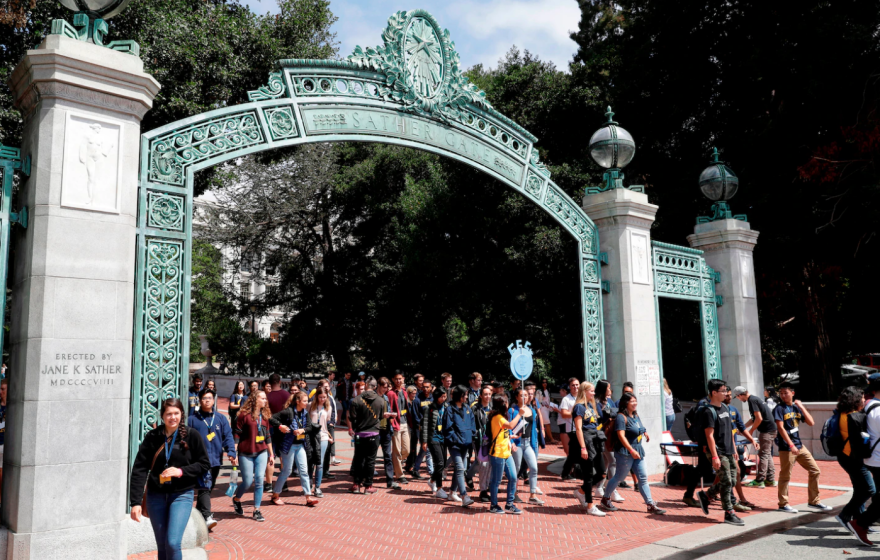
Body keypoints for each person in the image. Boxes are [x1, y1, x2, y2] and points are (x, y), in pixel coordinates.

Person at [129, 398, 210, 560]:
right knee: (162, 544)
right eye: (169, 414)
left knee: (172, 542)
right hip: (155, 495)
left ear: (182, 414)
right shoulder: (153, 436)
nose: (172, 417)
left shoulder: (191, 435)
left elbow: (204, 463)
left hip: (181, 495)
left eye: (176, 413)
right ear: (162, 416)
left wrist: (180, 471)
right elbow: (140, 468)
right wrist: (136, 503)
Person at [600, 393, 666, 515]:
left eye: (635, 401)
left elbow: (640, 426)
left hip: (638, 450)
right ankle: (606, 498)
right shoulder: (621, 417)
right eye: (632, 401)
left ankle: (650, 504)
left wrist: (645, 432)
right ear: (625, 403)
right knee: (619, 477)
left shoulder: (635, 415)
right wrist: (631, 450)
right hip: (625, 452)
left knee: (643, 477)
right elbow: (621, 435)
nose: (635, 403)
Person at [774, 381, 830, 513]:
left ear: (792, 393)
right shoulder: (779, 408)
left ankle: (814, 501)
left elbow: (811, 422)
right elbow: (781, 428)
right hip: (787, 447)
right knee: (785, 475)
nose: (783, 395)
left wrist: (801, 406)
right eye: (781, 393)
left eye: (785, 393)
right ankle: (783, 504)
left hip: (799, 445)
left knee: (815, 470)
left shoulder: (796, 408)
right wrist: (791, 445)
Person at [188, 390, 236, 530]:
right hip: (200, 460)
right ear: (200, 401)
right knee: (205, 486)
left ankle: (198, 514)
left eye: (209, 398)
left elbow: (228, 436)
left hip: (215, 459)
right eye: (204, 398)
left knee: (208, 487)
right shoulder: (192, 420)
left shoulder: (220, 418)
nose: (207, 400)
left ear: (213, 400)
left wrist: (231, 452)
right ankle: (207, 516)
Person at [829, 387, 874, 536]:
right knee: (869, 489)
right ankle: (845, 515)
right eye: (861, 397)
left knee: (859, 489)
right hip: (853, 458)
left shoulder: (842, 413)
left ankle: (859, 521)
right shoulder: (855, 417)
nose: (864, 399)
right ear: (855, 399)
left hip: (845, 457)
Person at [232, 391, 275, 521]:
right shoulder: (243, 415)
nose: (265, 401)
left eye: (265, 399)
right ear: (255, 399)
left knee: (259, 481)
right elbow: (237, 435)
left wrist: (271, 454)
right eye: (262, 398)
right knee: (247, 481)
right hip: (246, 452)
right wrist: (234, 452)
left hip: (261, 451)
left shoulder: (265, 416)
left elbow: (267, 436)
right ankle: (237, 499)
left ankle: (256, 510)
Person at [268, 391, 317, 506]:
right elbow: (272, 418)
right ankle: (275, 495)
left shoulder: (305, 413)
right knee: (287, 471)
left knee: (304, 471)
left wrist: (302, 430)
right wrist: (281, 426)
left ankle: (308, 497)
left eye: (307, 401)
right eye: (304, 401)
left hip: (300, 445)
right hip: (288, 445)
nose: (307, 403)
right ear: (298, 401)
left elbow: (310, 427)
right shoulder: (288, 412)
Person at [848, 375, 880, 545]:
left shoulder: (868, 405)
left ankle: (861, 523)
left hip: (873, 459)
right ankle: (860, 523)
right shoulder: (878, 410)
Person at [571, 382, 608, 516]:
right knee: (588, 475)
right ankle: (590, 506)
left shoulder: (594, 405)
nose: (593, 393)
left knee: (602, 473)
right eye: (591, 391)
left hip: (596, 440)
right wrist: (583, 447)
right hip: (586, 441)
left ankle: (581, 492)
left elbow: (599, 422)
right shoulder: (578, 408)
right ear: (584, 391)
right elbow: (579, 429)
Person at [488, 394, 524, 514]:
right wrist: (519, 414)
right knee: (496, 480)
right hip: (497, 453)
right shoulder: (497, 417)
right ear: (503, 404)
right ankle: (494, 505)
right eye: (506, 402)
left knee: (513, 477)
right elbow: (510, 425)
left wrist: (510, 437)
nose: (508, 404)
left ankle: (510, 504)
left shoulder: (502, 416)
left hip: (506, 452)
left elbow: (503, 432)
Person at [348, 376, 385, 494]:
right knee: (370, 460)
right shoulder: (380, 400)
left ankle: (356, 484)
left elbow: (352, 418)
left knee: (358, 459)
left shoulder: (356, 400)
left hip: (359, 434)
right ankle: (368, 486)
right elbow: (381, 416)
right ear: (375, 387)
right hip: (373, 433)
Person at [736, 386, 777, 489]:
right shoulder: (755, 399)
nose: (739, 399)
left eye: (737, 397)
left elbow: (759, 418)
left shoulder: (752, 401)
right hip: (771, 429)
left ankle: (760, 480)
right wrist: (743, 428)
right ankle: (770, 479)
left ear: (741, 395)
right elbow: (754, 418)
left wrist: (750, 431)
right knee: (767, 455)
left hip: (766, 431)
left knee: (763, 455)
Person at [508, 388, 543, 505]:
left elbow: (533, 430)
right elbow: (508, 428)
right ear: (517, 397)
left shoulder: (532, 411)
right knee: (516, 468)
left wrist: (534, 444)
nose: (524, 397)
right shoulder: (512, 410)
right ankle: (514, 493)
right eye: (521, 395)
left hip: (528, 443)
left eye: (526, 395)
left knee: (533, 468)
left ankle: (532, 495)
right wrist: (511, 442)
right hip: (517, 443)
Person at [445, 385, 476, 507]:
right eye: (465, 395)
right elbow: (448, 428)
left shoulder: (467, 408)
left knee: (459, 469)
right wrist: (455, 439)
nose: (467, 397)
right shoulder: (450, 409)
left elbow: (472, 424)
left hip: (466, 443)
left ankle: (452, 492)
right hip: (455, 445)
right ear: (459, 396)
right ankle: (464, 495)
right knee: (460, 468)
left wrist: (471, 435)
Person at [594, 379, 623, 502]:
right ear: (603, 389)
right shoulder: (596, 403)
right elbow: (597, 418)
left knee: (606, 462)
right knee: (613, 460)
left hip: (611, 434)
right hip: (602, 435)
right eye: (608, 388)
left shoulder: (610, 401)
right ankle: (611, 490)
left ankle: (599, 487)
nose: (610, 390)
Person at [265, 373, 291, 493]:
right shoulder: (287, 395)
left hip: (270, 428)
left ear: (269, 383)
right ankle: (283, 482)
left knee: (270, 456)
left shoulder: (267, 397)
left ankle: (269, 484)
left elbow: (265, 415)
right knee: (283, 456)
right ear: (280, 382)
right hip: (284, 429)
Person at [422, 387, 449, 499]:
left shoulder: (447, 407)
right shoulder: (430, 408)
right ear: (436, 396)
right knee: (439, 463)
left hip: (443, 438)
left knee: (443, 463)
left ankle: (432, 480)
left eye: (445, 396)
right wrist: (424, 441)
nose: (443, 398)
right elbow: (425, 425)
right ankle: (439, 488)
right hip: (433, 438)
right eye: (441, 396)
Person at [307, 387, 334, 498]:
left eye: (324, 397)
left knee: (320, 463)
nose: (322, 399)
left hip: (322, 436)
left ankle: (317, 487)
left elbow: (326, 422)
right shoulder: (310, 406)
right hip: (310, 436)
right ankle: (308, 484)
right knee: (310, 462)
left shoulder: (328, 407)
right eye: (320, 397)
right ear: (316, 396)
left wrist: (328, 436)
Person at [470, 385, 494, 502]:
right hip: (479, 440)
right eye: (485, 394)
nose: (488, 396)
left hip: (492, 440)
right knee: (483, 465)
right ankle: (483, 491)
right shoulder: (475, 409)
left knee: (490, 465)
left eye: (489, 394)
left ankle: (487, 487)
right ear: (480, 395)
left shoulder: (493, 409)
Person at [376, 377, 399, 490]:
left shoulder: (385, 398)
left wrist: (390, 415)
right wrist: (382, 415)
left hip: (386, 430)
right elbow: (371, 414)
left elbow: (388, 411)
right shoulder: (374, 398)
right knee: (371, 457)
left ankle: (390, 481)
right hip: (375, 430)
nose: (386, 390)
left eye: (387, 387)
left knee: (388, 456)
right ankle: (367, 480)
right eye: (384, 387)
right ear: (379, 386)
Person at [389, 371, 411, 486]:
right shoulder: (391, 393)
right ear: (393, 379)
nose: (398, 381)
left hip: (405, 423)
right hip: (396, 424)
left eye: (400, 379)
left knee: (406, 450)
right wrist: (392, 423)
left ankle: (395, 463)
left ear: (403, 379)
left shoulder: (404, 391)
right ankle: (400, 475)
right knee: (397, 450)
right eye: (396, 379)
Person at [410, 380, 434, 479]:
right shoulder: (417, 400)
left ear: (431, 388)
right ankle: (432, 472)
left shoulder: (433, 398)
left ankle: (415, 469)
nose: (425, 389)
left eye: (427, 387)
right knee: (427, 449)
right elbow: (415, 416)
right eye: (423, 387)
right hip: (422, 428)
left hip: (432, 427)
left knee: (423, 451)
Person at [559, 377, 580, 480]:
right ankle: (567, 472)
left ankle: (568, 472)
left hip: (581, 428)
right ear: (569, 387)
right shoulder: (566, 399)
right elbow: (563, 413)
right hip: (571, 429)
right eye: (573, 385)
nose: (575, 387)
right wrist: (575, 413)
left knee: (575, 452)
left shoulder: (582, 397)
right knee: (573, 452)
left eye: (577, 384)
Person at [538, 379, 556, 444]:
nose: (544, 384)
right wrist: (542, 403)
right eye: (543, 382)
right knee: (547, 424)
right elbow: (537, 401)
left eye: (545, 382)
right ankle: (551, 439)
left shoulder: (548, 390)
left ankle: (544, 438)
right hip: (542, 409)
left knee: (544, 424)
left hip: (547, 409)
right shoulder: (539, 391)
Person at [557, 385, 570, 454]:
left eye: (561, 390)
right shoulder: (565, 399)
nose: (559, 392)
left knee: (567, 448)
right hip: (562, 423)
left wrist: (556, 410)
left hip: (564, 423)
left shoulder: (566, 399)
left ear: (564, 391)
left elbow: (564, 414)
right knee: (566, 448)